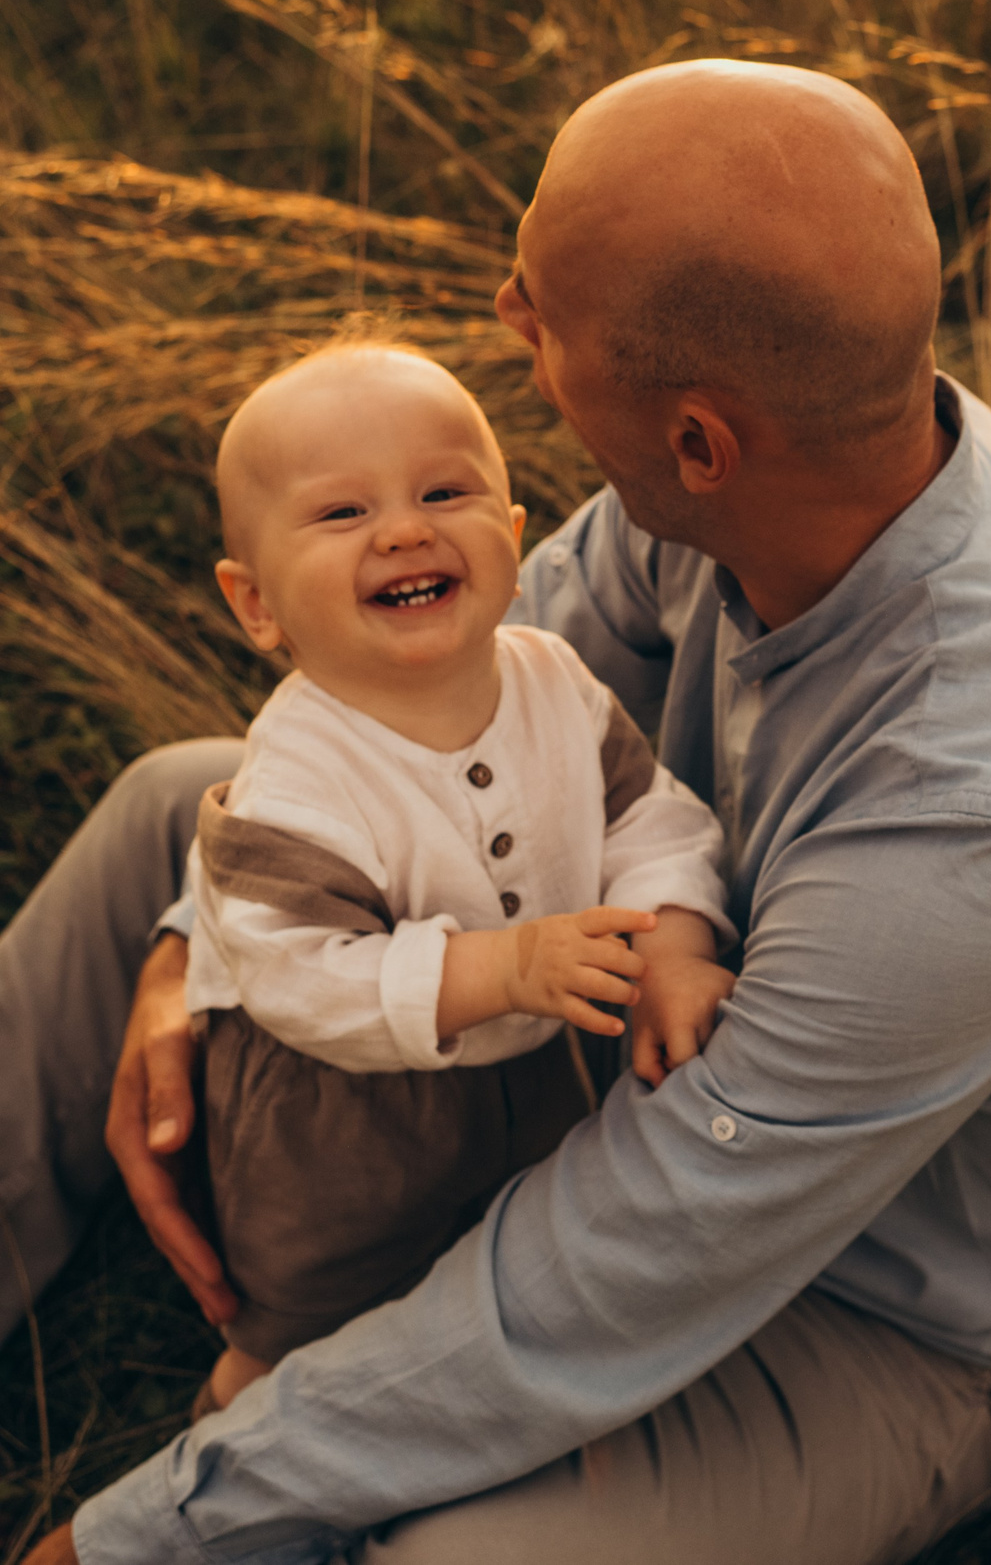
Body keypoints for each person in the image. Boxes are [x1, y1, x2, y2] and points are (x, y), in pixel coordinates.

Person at [0, 59, 991, 1565]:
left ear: (699, 437)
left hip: (891, 1305)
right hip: (627, 1039)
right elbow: (428, 725)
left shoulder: (985, 820)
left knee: (441, 1551)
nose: (512, 321)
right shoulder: (790, 474)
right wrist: (199, 946)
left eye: (543, 311)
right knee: (185, 803)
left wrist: (132, 1535)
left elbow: (610, 1268)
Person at [183, 342, 733, 1410]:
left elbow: (644, 817)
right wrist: (502, 966)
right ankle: (239, 1425)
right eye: (342, 514)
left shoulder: (553, 682)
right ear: (256, 604)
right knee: (308, 1322)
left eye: (445, 492)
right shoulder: (295, 775)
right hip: (344, 1119)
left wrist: (673, 946)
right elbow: (297, 976)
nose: (403, 529)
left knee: (513, 1264)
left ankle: (478, 1391)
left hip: (539, 1073)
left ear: (514, 540)